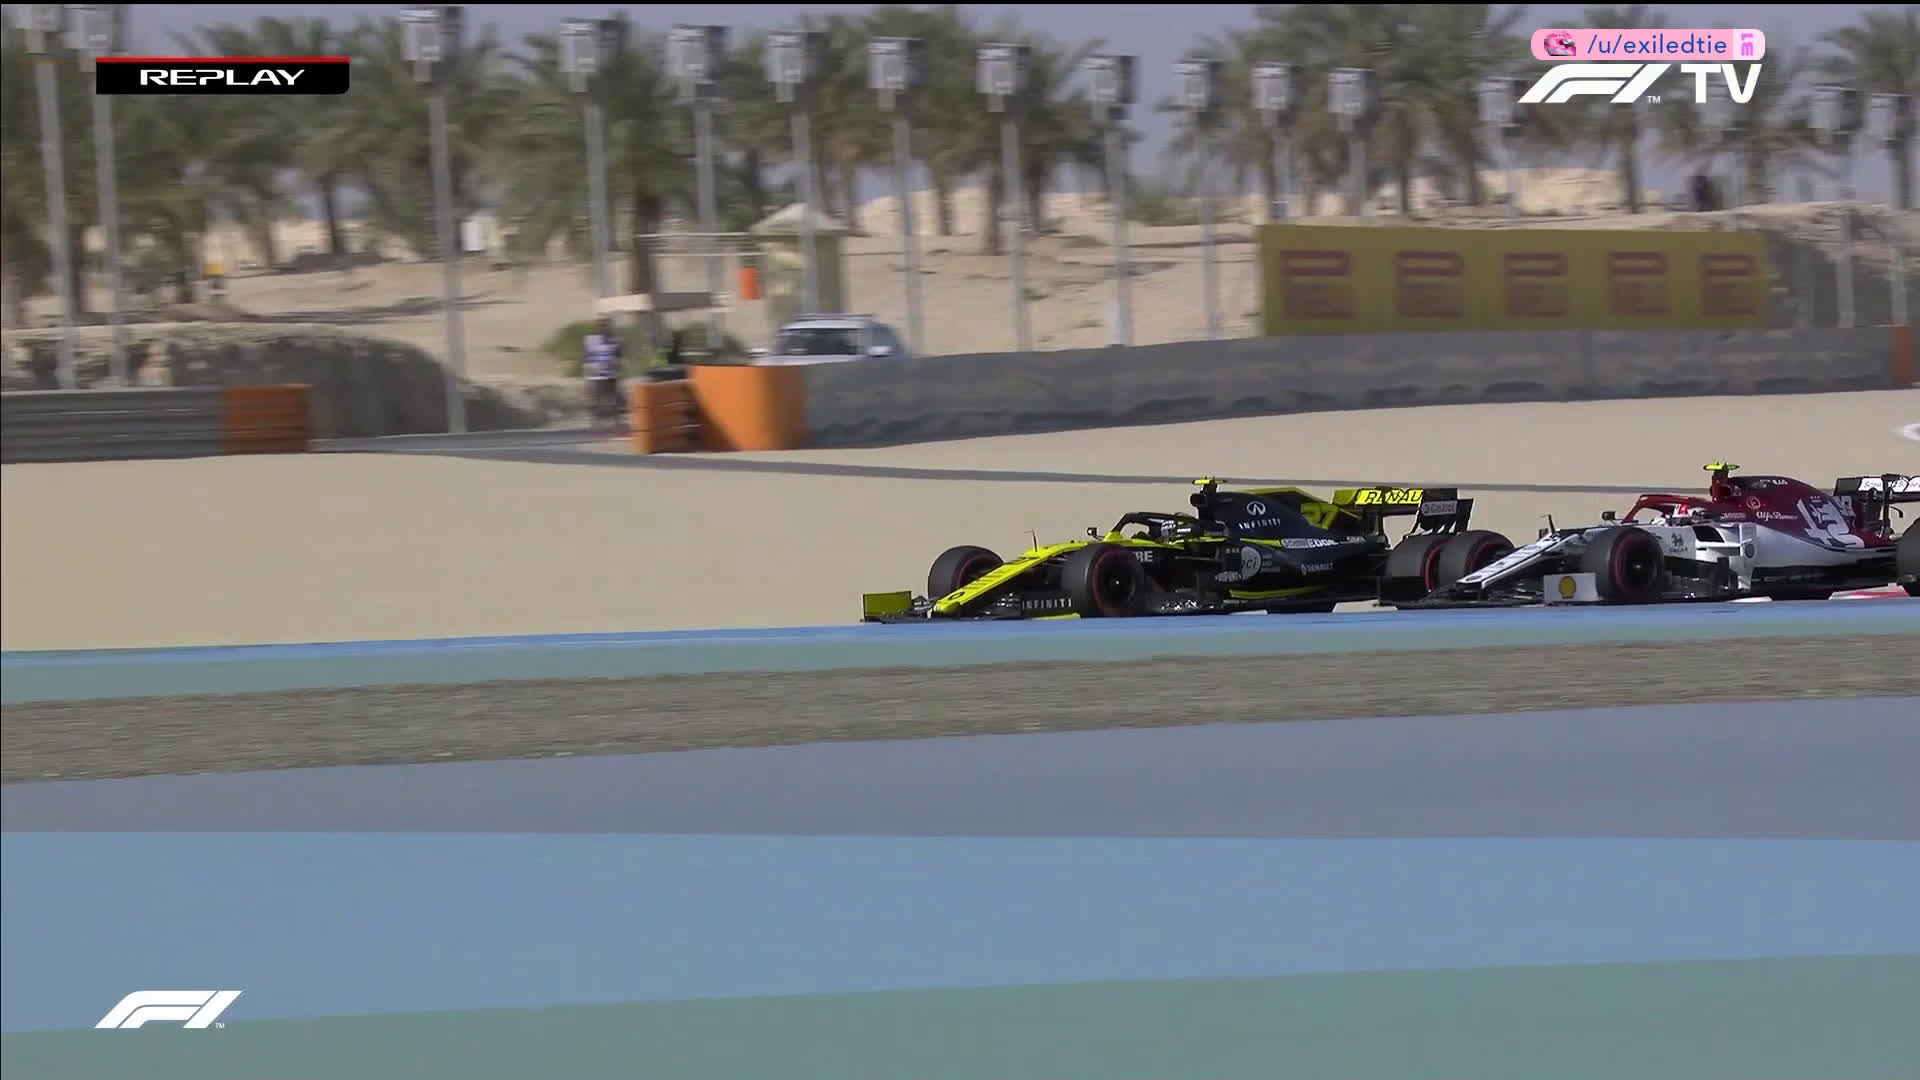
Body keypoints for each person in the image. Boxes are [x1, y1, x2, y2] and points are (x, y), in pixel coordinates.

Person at [583, 318, 626, 431]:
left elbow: (619, 357)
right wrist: (588, 376)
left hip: (611, 373)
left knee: (614, 398)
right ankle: (596, 422)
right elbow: (587, 358)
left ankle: (616, 421)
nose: (603, 329)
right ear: (596, 328)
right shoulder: (591, 340)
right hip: (597, 374)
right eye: (601, 326)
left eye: (605, 326)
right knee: (597, 399)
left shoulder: (615, 339)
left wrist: (619, 371)